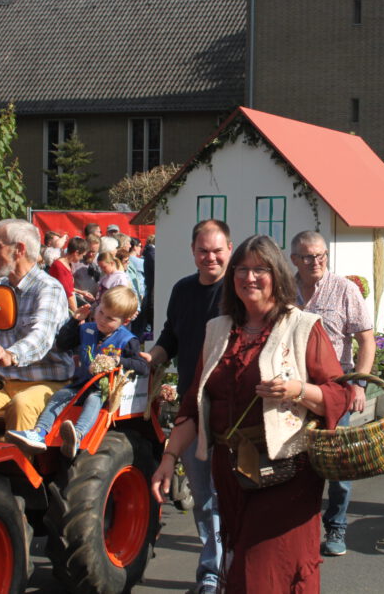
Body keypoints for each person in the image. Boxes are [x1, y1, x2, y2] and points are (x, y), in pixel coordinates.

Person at [150, 235, 351, 593]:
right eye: (242, 269)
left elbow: (339, 394)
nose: (250, 277)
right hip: (232, 473)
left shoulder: (303, 326)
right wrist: (169, 457)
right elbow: (194, 404)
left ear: (277, 275)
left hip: (286, 473)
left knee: (266, 569)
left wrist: (298, 390)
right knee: (241, 564)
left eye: (261, 269)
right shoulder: (217, 330)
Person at [146, 220, 232, 594]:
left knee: (228, 492)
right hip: (191, 407)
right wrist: (153, 357)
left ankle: (229, 569)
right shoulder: (183, 289)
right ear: (193, 252)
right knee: (203, 495)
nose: (210, 257)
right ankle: (212, 570)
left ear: (229, 249)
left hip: (230, 407)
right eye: (203, 251)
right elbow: (171, 334)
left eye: (217, 251)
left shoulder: (237, 291)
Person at [289, 230, 375, 558]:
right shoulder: (284, 290)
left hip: (336, 389)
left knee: (337, 466)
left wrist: (359, 385)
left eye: (321, 255)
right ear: (294, 259)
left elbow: (366, 340)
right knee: (296, 463)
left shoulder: (344, 289)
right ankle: (300, 530)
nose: (316, 262)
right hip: (295, 389)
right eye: (308, 257)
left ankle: (336, 525)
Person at [7, 286, 148, 458]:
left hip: (105, 390)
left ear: (124, 322)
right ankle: (39, 432)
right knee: (60, 395)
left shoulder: (127, 340)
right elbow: (63, 344)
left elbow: (142, 366)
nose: (102, 319)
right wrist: (74, 321)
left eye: (110, 318)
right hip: (82, 383)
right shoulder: (87, 329)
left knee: (93, 399)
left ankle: (78, 435)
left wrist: (118, 361)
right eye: (100, 312)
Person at [0, 219, 72, 434]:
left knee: (22, 405)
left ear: (19, 249)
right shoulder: (1, 288)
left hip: (45, 382)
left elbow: (41, 335)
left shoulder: (48, 288)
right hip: (2, 380)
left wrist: (10, 354)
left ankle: (20, 455)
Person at [48, 236, 85, 313]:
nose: (82, 258)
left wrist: (81, 292)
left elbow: (67, 287)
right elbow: (67, 293)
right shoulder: (59, 266)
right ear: (76, 253)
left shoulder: (66, 264)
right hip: (58, 307)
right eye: (82, 255)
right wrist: (76, 313)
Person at [90, 250, 130, 317]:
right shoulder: (105, 277)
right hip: (101, 311)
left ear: (112, 263)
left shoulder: (120, 278)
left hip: (111, 313)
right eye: (100, 267)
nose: (102, 270)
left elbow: (120, 300)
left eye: (104, 267)